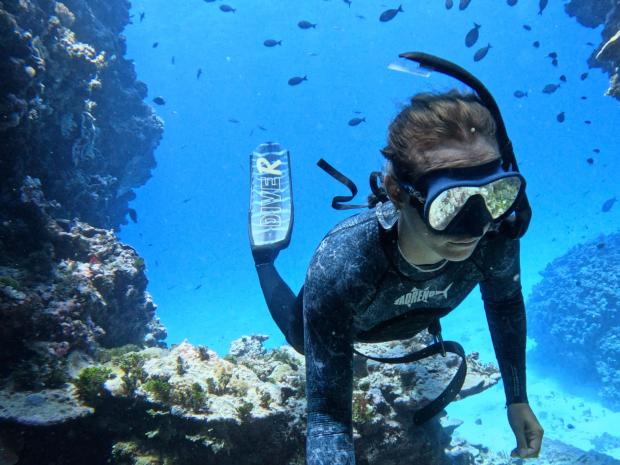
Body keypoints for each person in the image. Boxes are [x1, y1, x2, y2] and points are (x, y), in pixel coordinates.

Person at [249, 53, 543, 465]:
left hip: (413, 313)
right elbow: (328, 419)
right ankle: (264, 259)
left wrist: (517, 399)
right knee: (300, 340)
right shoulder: (344, 264)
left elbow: (505, 302)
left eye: (495, 195)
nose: (476, 225)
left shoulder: (496, 234)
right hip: (353, 319)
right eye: (451, 203)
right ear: (397, 192)